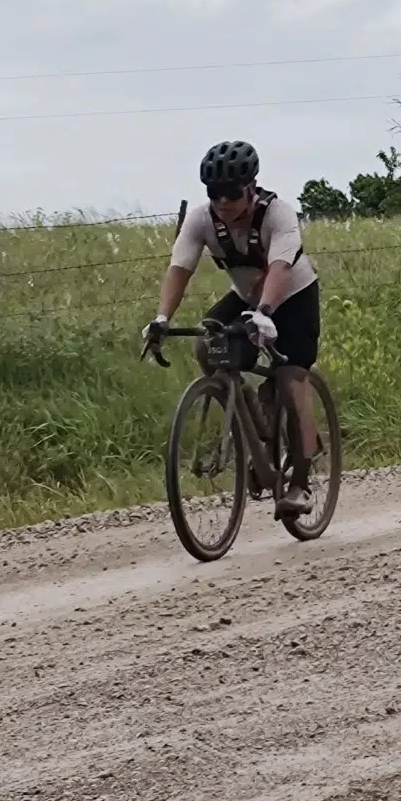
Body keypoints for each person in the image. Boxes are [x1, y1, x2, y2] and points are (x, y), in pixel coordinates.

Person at [143, 141, 323, 518]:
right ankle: (251, 428)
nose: (222, 201)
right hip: (244, 295)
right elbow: (179, 268)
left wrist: (266, 313)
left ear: (252, 187)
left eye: (232, 193)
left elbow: (280, 268)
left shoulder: (279, 214)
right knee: (208, 348)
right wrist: (161, 319)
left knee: (292, 378)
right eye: (214, 193)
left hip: (292, 296)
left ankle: (300, 482)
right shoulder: (201, 219)